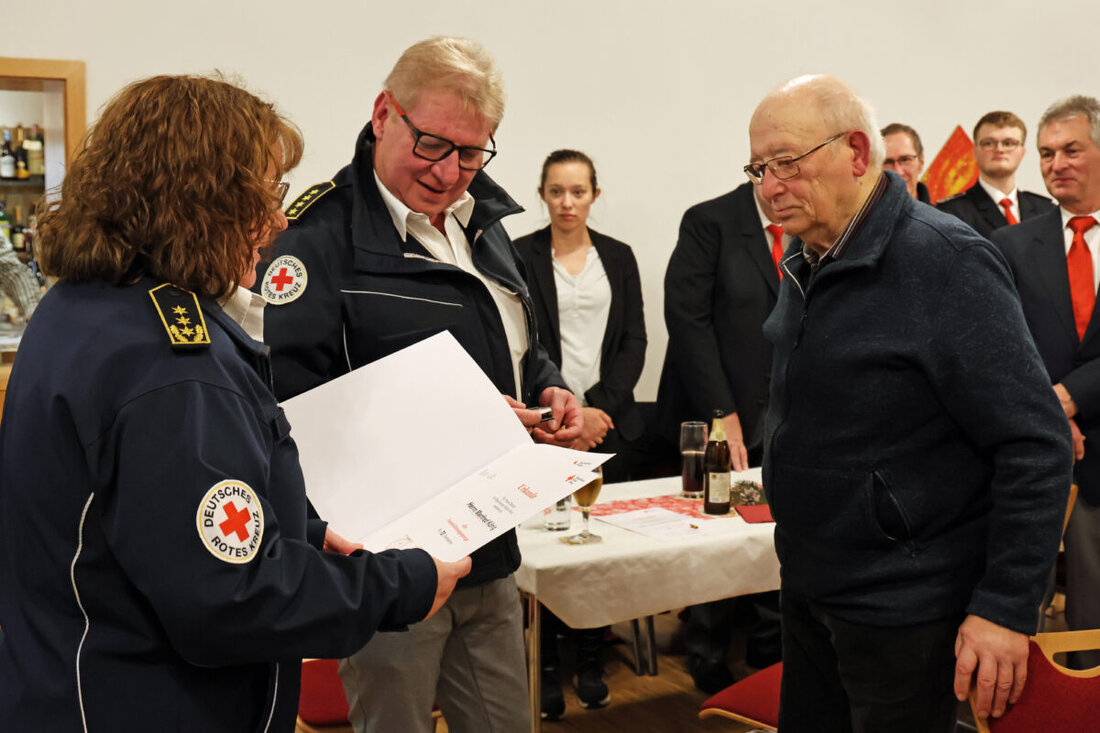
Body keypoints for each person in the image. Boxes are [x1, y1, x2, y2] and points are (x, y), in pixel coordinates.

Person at [0, 74, 470, 733]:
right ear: (201, 200)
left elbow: (151, 519)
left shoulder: (83, 306)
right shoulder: (171, 367)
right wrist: (404, 584)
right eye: (265, 195)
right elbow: (231, 601)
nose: (278, 221)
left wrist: (300, 532)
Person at [258, 37, 582, 733]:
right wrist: (458, 423)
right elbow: (288, 406)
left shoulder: (482, 221)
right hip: (388, 559)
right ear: (384, 114)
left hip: (489, 544)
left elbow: (518, 340)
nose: (448, 172)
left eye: (471, 153)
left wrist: (548, 387)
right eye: (432, 144)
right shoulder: (317, 237)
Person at [749, 74, 1072, 732]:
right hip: (811, 584)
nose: (769, 187)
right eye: (758, 168)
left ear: (856, 153)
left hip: (904, 607)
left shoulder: (945, 260)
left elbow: (1035, 442)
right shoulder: (808, 259)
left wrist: (1005, 606)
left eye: (786, 162)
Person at [513, 149, 646, 717]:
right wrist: (566, 413)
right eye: (556, 191)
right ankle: (546, 665)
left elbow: (635, 340)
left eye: (578, 191)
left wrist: (595, 412)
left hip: (606, 423)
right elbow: (524, 342)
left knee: (599, 550)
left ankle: (591, 658)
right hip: (547, 424)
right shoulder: (519, 254)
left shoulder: (618, 256)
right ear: (543, 195)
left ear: (595, 194)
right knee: (547, 544)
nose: (567, 202)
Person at [653, 180, 785, 693]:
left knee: (774, 527)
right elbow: (687, 320)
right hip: (720, 409)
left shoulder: (807, 221)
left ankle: (769, 645)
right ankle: (707, 650)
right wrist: (720, 415)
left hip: (782, 410)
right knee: (716, 531)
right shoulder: (710, 221)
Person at [990, 95, 1100, 669]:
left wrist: (1068, 399)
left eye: (1071, 150)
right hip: (1031, 457)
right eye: (1047, 153)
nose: (1056, 164)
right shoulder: (1010, 245)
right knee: (1016, 617)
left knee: (1094, 623)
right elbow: (1000, 346)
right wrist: (1048, 413)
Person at [938, 111, 1054, 237]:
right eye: (988, 143)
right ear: (975, 151)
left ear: (1022, 152)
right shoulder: (951, 213)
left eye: (1008, 143)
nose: (999, 149)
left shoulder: (1047, 210)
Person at [881, 122, 932, 203]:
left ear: (921, 163)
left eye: (905, 160)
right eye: (888, 162)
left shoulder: (945, 211)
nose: (898, 172)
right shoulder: (862, 210)